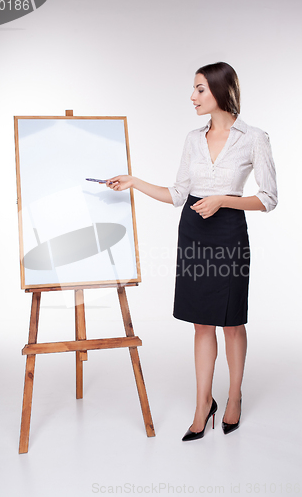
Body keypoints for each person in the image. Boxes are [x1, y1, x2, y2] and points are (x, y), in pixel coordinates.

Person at [105, 62, 278, 440]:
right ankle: (203, 404)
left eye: (200, 89)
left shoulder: (254, 138)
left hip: (229, 234)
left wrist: (223, 200)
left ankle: (233, 397)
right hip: (194, 234)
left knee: (232, 321)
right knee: (201, 322)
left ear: (219, 90)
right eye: (194, 89)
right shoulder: (191, 139)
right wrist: (133, 181)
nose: (192, 97)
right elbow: (177, 194)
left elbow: (268, 199)